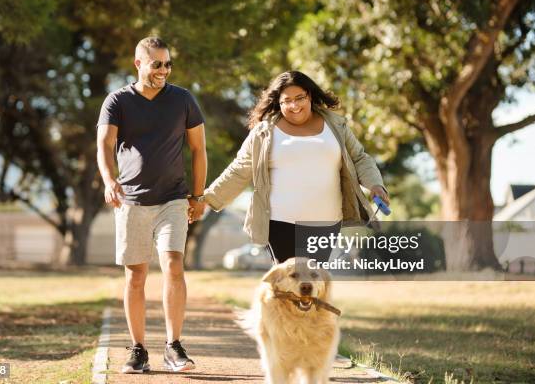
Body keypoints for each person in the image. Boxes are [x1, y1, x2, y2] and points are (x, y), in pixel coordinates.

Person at [96, 37, 207, 374]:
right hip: (131, 201)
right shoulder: (117, 101)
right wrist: (108, 180)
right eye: (156, 63)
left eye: (167, 63)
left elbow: (199, 149)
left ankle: (174, 346)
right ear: (138, 64)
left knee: (174, 264)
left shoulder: (182, 99)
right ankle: (138, 349)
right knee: (136, 275)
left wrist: (198, 196)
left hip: (173, 198)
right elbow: (104, 144)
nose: (163, 70)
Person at [198, 70, 388, 263]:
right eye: (286, 101)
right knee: (289, 282)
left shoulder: (336, 126)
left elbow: (360, 158)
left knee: (313, 282)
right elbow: (239, 170)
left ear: (310, 96)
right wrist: (208, 199)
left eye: (299, 98)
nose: (294, 105)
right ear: (278, 103)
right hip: (281, 222)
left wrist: (375, 185)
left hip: (327, 221)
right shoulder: (264, 133)